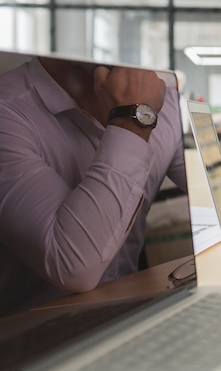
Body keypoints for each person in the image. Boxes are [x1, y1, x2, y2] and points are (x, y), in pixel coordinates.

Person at [0, 55, 187, 316]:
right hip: (36, 342)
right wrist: (132, 120)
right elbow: (73, 267)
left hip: (127, 321)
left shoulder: (164, 103)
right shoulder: (8, 112)